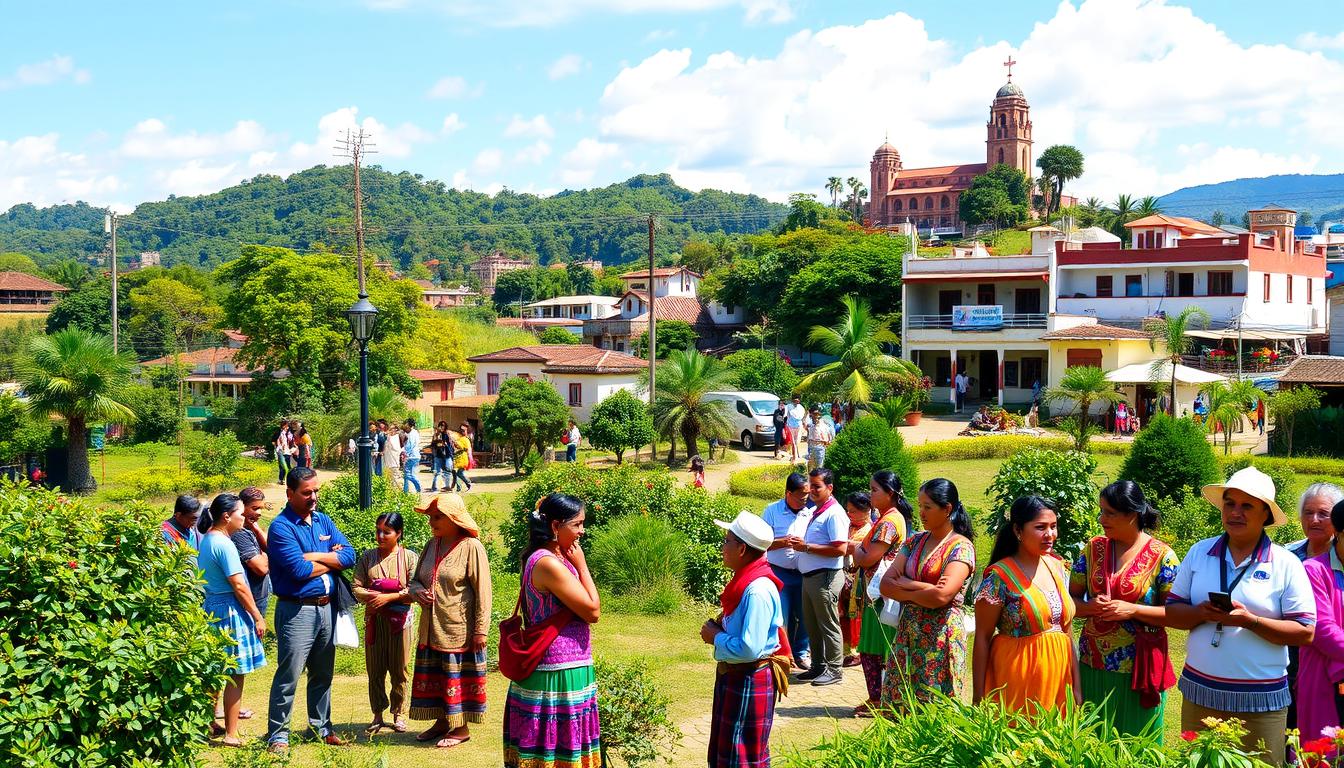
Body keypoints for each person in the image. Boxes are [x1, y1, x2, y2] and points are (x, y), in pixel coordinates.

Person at [1165, 466, 1316, 764]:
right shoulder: (1199, 552)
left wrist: (1251, 621)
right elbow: (1172, 613)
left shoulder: (1285, 564)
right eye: (1229, 503)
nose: (1235, 512)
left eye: (1247, 506)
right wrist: (1199, 613)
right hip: (1201, 694)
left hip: (1261, 701)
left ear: (1266, 515)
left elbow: (1305, 631)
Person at [1069, 481, 1180, 736]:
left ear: (1133, 515)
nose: (1101, 518)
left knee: (1136, 743)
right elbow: (1069, 602)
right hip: (1091, 663)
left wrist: (1132, 610)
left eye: (1109, 513)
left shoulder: (1162, 556)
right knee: (1093, 743)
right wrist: (1089, 607)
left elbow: (1175, 615)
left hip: (1138, 670)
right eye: (1101, 511)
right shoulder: (1094, 548)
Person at [504, 494, 602, 768]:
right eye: (578, 524)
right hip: (556, 671)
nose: (583, 531)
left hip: (565, 665)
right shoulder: (547, 563)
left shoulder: (550, 558)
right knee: (555, 749)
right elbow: (592, 611)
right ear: (556, 526)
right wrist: (582, 565)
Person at [265, 467, 356, 752]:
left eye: (316, 490)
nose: (314, 497)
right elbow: (298, 569)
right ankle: (278, 735)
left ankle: (320, 727)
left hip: (327, 609)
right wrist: (332, 559)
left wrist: (317, 556)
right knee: (289, 674)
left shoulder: (323, 521)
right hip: (297, 611)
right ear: (289, 493)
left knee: (323, 673)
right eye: (307, 492)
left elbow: (350, 555)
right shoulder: (281, 527)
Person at [973, 495, 1081, 713]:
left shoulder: (1058, 567)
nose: (1050, 534)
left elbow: (1067, 631)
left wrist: (1076, 685)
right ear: (1018, 531)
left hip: (1059, 677)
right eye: (1040, 527)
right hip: (1017, 677)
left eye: (1053, 526)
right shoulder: (999, 577)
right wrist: (979, 695)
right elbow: (983, 637)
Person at [702, 511, 790, 768]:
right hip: (739, 676)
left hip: (748, 676)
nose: (722, 546)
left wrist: (716, 636)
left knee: (742, 757)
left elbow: (750, 648)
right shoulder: (747, 581)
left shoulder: (757, 589)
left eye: (727, 541)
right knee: (731, 752)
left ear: (741, 549)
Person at [880, 478, 976, 709]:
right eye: (920, 505)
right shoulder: (914, 542)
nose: (921, 512)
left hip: (941, 639)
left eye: (928, 507)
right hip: (908, 636)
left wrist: (907, 584)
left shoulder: (960, 547)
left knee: (936, 707)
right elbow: (885, 584)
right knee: (901, 707)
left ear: (948, 509)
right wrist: (926, 589)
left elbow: (941, 597)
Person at [408, 494, 492, 748]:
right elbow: (415, 580)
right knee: (435, 675)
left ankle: (461, 727)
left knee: (456, 676)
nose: (431, 522)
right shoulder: (431, 545)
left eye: (437, 517)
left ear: (454, 519)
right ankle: (442, 722)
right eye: (431, 517)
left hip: (459, 629)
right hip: (430, 628)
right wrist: (416, 592)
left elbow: (483, 591)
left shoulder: (471, 547)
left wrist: (481, 630)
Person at [199, 493, 267, 747]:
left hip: (212, 607)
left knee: (215, 672)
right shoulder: (225, 544)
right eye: (241, 513)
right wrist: (258, 616)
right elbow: (239, 584)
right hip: (229, 611)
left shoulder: (207, 540)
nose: (244, 518)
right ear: (227, 516)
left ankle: (209, 722)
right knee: (235, 674)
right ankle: (231, 733)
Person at [849, 472, 912, 717]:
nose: (870, 494)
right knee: (873, 650)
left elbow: (869, 557)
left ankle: (883, 701)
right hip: (877, 594)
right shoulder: (887, 518)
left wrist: (856, 549)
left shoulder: (888, 522)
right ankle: (879, 699)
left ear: (890, 493)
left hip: (880, 596)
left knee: (877, 651)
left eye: (874, 490)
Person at [353, 512, 419, 736]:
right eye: (378, 530)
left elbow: (414, 590)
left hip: (401, 623)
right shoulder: (367, 557)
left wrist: (389, 597)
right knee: (375, 669)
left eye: (387, 532)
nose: (380, 536)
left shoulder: (409, 558)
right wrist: (374, 596)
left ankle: (399, 714)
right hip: (374, 619)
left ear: (398, 533)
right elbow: (356, 587)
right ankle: (377, 714)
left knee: (399, 669)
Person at [1286, 483, 1344, 733]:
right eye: (1308, 513)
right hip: (1307, 668)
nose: (1315, 520)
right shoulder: (1300, 563)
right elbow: (1323, 629)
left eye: (1323, 513)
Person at [789, 468, 848, 686]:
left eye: (817, 486)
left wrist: (806, 547)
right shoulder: (819, 510)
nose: (812, 490)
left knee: (828, 625)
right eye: (810, 485)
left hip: (825, 578)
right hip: (811, 578)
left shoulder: (835, 513)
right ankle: (818, 666)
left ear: (830, 488)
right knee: (812, 625)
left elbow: (840, 548)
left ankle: (834, 670)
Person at [762, 472, 813, 671]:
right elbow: (761, 543)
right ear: (788, 493)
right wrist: (781, 542)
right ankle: (782, 655)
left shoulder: (810, 512)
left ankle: (801, 653)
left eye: (807, 496)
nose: (805, 500)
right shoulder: (772, 511)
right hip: (778, 573)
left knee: (804, 615)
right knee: (779, 617)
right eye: (801, 496)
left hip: (803, 573)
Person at [839, 492, 874, 669]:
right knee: (843, 614)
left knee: (856, 615)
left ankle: (856, 651)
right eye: (848, 510)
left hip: (859, 579)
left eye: (853, 511)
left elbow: (847, 548)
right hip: (844, 576)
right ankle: (845, 650)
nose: (849, 514)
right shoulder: (847, 526)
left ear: (866, 510)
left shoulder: (870, 530)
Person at [162, 495, 204, 562]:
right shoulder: (165, 533)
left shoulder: (191, 529)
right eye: (193, 518)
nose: (196, 522)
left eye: (197, 518)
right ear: (178, 515)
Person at [430, 422, 453, 492]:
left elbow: (450, 444)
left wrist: (445, 444)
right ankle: (435, 487)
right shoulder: (436, 435)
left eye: (443, 426)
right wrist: (437, 436)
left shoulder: (447, 434)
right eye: (440, 426)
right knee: (437, 472)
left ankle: (447, 486)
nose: (442, 427)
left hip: (447, 455)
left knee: (448, 471)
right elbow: (433, 444)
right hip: (439, 455)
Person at [401, 419, 423, 493]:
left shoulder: (412, 434)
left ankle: (418, 487)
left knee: (407, 475)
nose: (405, 426)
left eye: (406, 425)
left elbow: (411, 446)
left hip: (412, 456)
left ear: (410, 426)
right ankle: (406, 491)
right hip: (413, 456)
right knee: (408, 474)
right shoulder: (412, 433)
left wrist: (406, 454)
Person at [451, 428, 474, 492]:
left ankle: (469, 483)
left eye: (464, 430)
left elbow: (463, 448)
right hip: (458, 459)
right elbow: (456, 448)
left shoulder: (466, 440)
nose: (462, 432)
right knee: (456, 473)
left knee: (459, 473)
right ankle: (459, 488)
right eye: (461, 430)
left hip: (463, 459)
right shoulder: (460, 439)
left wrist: (456, 443)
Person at [380, 419, 401, 484]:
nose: (390, 430)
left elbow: (396, 448)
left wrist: (388, 438)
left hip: (394, 462)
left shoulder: (396, 437)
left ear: (395, 430)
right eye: (390, 429)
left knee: (395, 479)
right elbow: (385, 447)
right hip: (387, 462)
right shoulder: (388, 437)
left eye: (392, 429)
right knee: (388, 479)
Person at [785, 396, 805, 463]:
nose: (796, 401)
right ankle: (794, 457)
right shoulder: (788, 406)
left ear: (799, 401)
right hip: (790, 426)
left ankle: (796, 455)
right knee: (793, 442)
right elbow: (785, 415)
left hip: (798, 426)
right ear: (792, 400)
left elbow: (801, 417)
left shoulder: (801, 408)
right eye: (794, 400)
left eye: (797, 400)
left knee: (797, 442)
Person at [273, 420, 292, 484]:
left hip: (287, 451)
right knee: (282, 466)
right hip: (281, 451)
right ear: (284, 426)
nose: (288, 427)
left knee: (288, 466)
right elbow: (273, 441)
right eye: (287, 426)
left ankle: (287, 479)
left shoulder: (288, 433)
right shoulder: (278, 432)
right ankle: (281, 479)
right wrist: (277, 448)